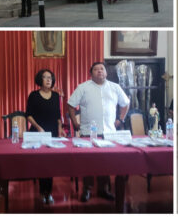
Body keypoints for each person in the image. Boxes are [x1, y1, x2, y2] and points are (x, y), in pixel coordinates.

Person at [67, 62, 130, 202]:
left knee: (105, 162)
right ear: (91, 73)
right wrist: (75, 123)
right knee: (88, 162)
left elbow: (125, 103)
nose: (99, 71)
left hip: (108, 133)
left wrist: (120, 119)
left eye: (102, 69)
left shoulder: (115, 87)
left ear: (106, 72)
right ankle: (87, 190)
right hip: (87, 132)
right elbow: (71, 105)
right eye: (96, 69)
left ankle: (103, 190)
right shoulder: (83, 87)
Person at [26, 69, 64, 204]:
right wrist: (38, 128)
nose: (48, 80)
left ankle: (49, 193)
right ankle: (43, 192)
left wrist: (60, 128)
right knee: (42, 163)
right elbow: (28, 115)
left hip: (53, 133)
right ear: (39, 79)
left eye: (50, 77)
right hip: (38, 132)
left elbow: (58, 115)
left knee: (50, 163)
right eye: (45, 77)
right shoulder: (34, 95)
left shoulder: (55, 96)